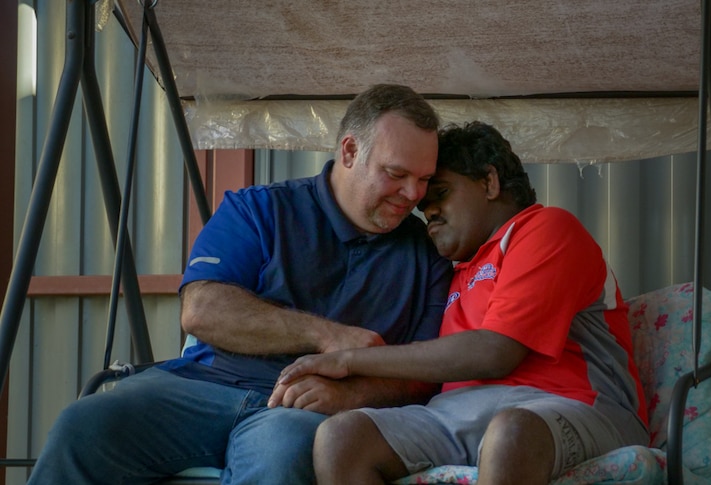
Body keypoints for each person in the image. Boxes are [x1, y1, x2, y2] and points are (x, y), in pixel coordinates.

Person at [27, 84, 453, 485]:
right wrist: (326, 335)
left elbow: (423, 375)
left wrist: (352, 394)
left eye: (425, 179)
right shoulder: (259, 208)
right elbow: (202, 310)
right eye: (397, 173)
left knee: (283, 450)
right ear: (349, 151)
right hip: (200, 388)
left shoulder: (429, 254)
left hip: (301, 412)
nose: (413, 193)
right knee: (84, 424)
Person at [272, 121, 650, 485]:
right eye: (423, 207)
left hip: (575, 407)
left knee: (510, 432)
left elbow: (494, 352)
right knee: (342, 438)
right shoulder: (452, 270)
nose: (428, 211)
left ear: (489, 182)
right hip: (458, 415)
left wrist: (346, 359)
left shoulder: (546, 228)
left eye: (441, 194)